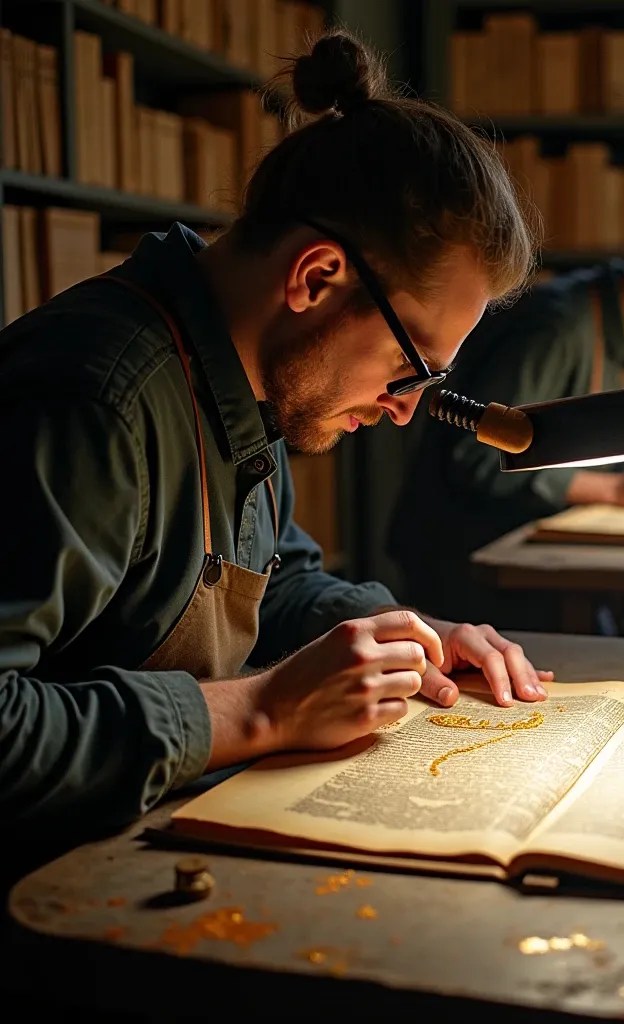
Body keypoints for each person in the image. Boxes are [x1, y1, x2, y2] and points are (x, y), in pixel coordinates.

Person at [0, 27, 552, 863]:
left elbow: (275, 578)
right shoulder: (95, 401)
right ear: (316, 278)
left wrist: (400, 634)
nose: (405, 412)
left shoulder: (245, 380)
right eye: (411, 368)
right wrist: (263, 711)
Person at [387, 213, 624, 628]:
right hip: (469, 578)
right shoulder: (556, 329)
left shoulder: (622, 342)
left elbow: (567, 440)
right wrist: (613, 487)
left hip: (536, 565)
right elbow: (474, 460)